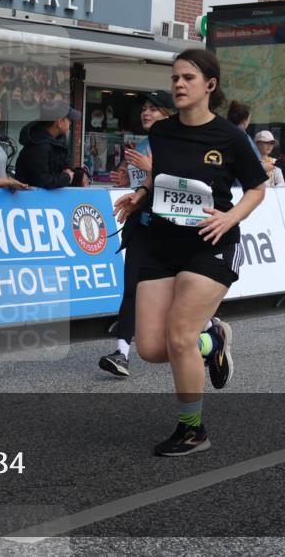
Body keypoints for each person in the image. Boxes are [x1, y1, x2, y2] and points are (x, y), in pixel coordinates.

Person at [114, 49, 267, 456]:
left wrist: (231, 217)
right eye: (175, 78)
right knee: (149, 347)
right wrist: (141, 194)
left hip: (211, 245)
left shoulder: (230, 137)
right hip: (163, 244)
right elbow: (159, 177)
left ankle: (192, 429)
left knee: (180, 335)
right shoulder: (162, 134)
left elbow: (257, 187)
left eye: (188, 78)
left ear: (209, 86)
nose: (178, 85)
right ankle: (212, 342)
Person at [100, 89, 235, 379]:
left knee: (179, 301)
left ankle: (211, 334)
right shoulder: (141, 143)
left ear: (169, 114)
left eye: (154, 108)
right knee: (131, 288)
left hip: (175, 232)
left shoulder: (176, 143)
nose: (146, 113)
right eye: (144, 108)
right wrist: (131, 182)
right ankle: (121, 352)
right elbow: (143, 184)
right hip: (143, 227)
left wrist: (153, 171)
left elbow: (192, 186)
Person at [15, 99, 88, 189]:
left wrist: (78, 175)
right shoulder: (39, 146)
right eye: (68, 120)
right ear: (60, 122)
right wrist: (66, 177)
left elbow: (61, 170)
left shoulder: (55, 143)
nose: (70, 123)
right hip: (33, 202)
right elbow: (43, 181)